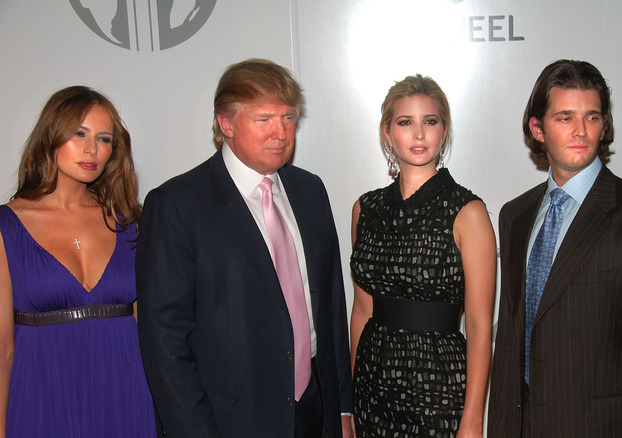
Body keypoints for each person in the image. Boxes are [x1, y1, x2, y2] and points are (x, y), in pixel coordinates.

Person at [136, 58, 353, 438]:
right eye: (264, 118)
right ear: (226, 124)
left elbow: (331, 311)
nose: (281, 133)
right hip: (229, 421)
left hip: (314, 413)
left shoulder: (310, 191)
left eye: (288, 118)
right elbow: (164, 341)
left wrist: (342, 410)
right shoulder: (178, 204)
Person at [488, 60, 622, 437]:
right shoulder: (514, 215)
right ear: (537, 128)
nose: (581, 131)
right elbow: (511, 348)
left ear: (604, 125)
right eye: (565, 117)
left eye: (592, 117)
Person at [0, 86, 154, 437]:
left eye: (104, 139)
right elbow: (2, 347)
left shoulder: (132, 223)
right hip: (39, 392)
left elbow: (146, 325)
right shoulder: (6, 226)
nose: (92, 150)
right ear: (50, 136)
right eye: (78, 134)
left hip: (126, 390)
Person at [350, 74, 496, 437]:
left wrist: (472, 421)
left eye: (430, 122)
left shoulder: (468, 212)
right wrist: (350, 398)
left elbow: (479, 326)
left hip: (439, 388)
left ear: (443, 131)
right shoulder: (365, 209)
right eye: (405, 123)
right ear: (387, 133)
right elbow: (362, 310)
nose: (419, 134)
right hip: (372, 386)